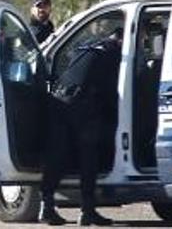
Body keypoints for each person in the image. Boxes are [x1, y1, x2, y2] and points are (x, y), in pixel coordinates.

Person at [38, 29, 123, 226]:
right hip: (83, 107)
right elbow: (112, 89)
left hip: (60, 102)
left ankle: (47, 206)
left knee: (59, 156)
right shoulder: (112, 52)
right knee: (89, 159)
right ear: (120, 40)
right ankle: (87, 210)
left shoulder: (88, 46)